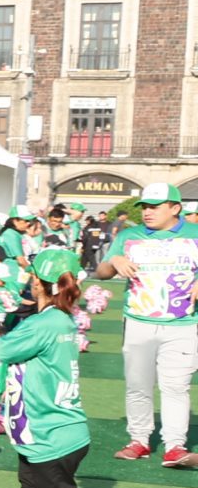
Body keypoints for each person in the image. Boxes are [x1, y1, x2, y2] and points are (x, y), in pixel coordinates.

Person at [0, 250, 94, 488]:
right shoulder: (60, 319)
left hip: (50, 429)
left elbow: (0, 350)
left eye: (32, 276)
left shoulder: (45, 322)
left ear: (39, 283)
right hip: (53, 425)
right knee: (32, 485)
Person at [94, 182, 198, 468]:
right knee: (138, 385)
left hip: (183, 323)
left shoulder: (195, 234)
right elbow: (101, 273)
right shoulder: (129, 236)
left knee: (175, 386)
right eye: (144, 207)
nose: (147, 212)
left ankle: (175, 446)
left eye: (154, 207)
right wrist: (115, 260)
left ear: (175, 208)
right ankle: (139, 440)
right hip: (138, 322)